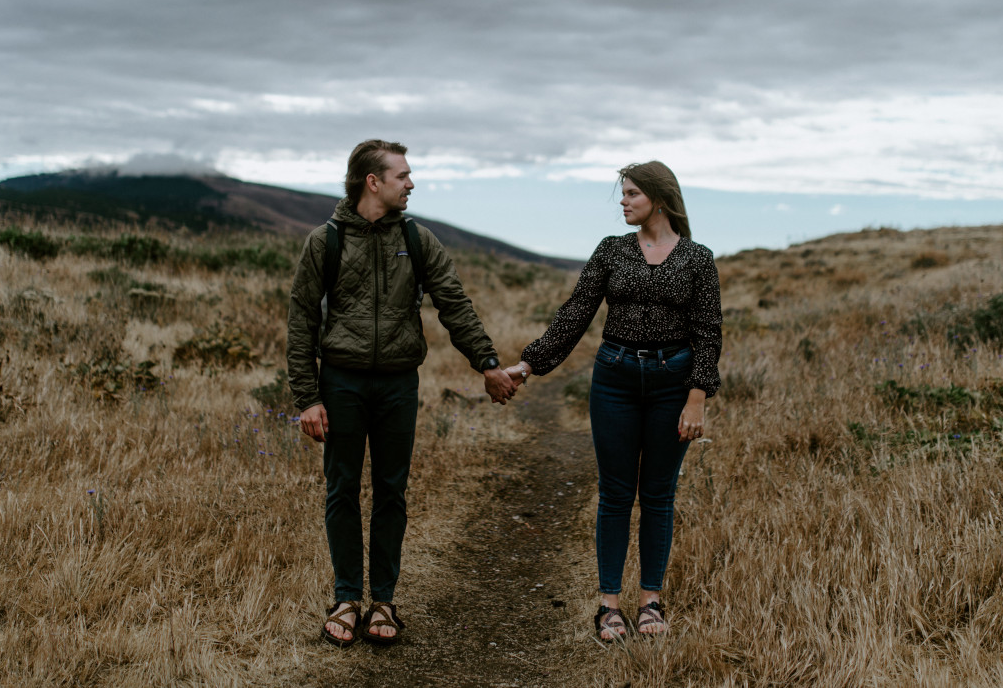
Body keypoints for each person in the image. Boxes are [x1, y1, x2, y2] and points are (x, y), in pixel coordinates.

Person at [287, 139, 517, 648]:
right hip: (341, 383)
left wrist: (488, 364)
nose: (411, 183)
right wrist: (308, 398)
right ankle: (347, 598)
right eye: (402, 176)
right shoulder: (324, 242)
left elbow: (453, 303)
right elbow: (301, 322)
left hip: (397, 384)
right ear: (374, 182)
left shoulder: (417, 239)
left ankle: (383, 601)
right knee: (342, 489)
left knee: (392, 490)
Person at [507, 161, 721, 641]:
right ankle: (609, 607)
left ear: (659, 199)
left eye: (630, 194)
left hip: (672, 384)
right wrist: (529, 364)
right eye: (621, 194)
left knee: (658, 496)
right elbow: (576, 312)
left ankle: (651, 604)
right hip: (615, 381)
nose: (622, 201)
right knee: (616, 494)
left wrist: (697, 398)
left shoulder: (698, 259)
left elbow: (708, 333)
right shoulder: (611, 250)